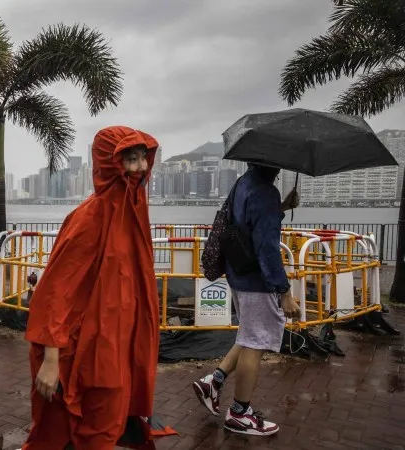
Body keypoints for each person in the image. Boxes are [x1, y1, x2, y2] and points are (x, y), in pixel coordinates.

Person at [19, 126, 175, 450]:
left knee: (106, 427)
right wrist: (51, 359)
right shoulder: (91, 217)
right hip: (87, 353)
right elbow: (55, 290)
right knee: (85, 434)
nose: (140, 169)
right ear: (110, 164)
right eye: (130, 160)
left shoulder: (133, 212)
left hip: (117, 347)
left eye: (143, 159)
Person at [192, 163, 300, 436]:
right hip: (257, 280)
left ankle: (213, 383)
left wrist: (281, 207)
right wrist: (284, 291)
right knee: (256, 342)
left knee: (250, 334)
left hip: (238, 274)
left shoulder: (243, 183)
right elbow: (267, 249)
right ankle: (240, 414)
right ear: (275, 165)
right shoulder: (266, 193)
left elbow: (245, 221)